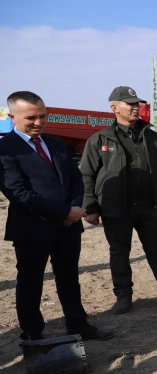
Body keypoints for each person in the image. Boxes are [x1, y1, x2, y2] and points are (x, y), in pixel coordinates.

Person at [0, 91, 113, 341]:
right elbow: (18, 193)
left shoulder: (55, 144)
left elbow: (75, 180)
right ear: (12, 117)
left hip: (68, 227)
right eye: (31, 117)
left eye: (43, 115)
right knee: (30, 282)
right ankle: (32, 333)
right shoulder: (5, 150)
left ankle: (77, 323)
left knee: (69, 278)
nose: (39, 122)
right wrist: (64, 212)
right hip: (32, 228)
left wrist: (73, 210)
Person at [80, 86, 157, 314]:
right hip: (115, 208)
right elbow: (87, 175)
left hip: (149, 206)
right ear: (114, 107)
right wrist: (90, 207)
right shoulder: (100, 139)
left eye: (136, 103)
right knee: (119, 253)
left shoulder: (151, 137)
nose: (135, 107)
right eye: (129, 103)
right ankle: (123, 297)